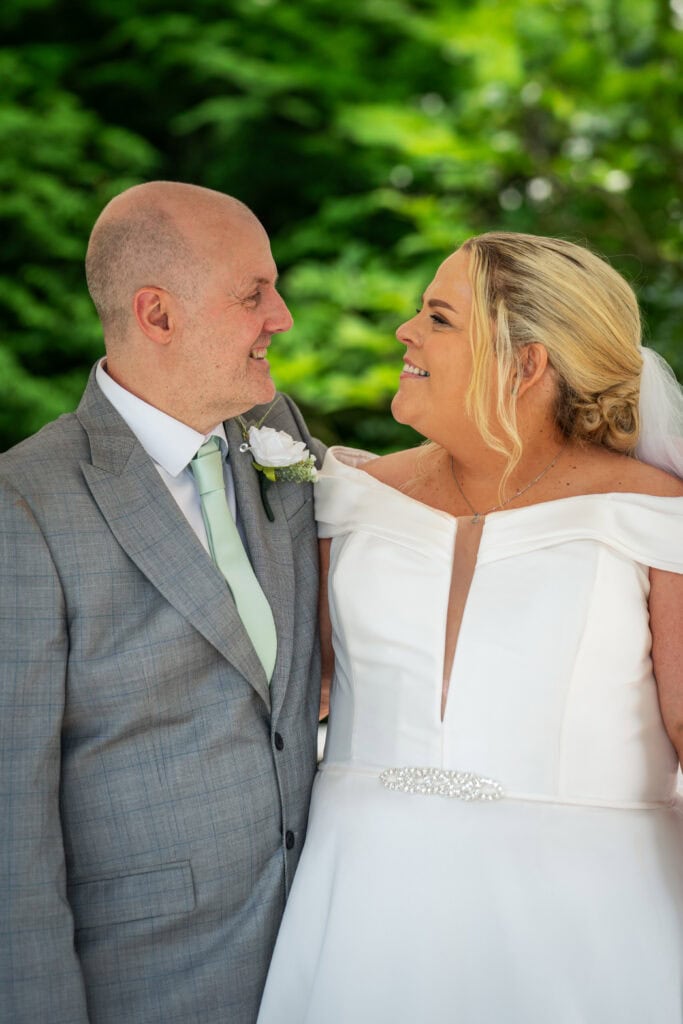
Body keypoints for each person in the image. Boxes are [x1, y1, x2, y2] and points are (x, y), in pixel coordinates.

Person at [257, 232, 683, 1023]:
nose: (405, 333)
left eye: (439, 318)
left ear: (525, 365)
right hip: (361, 907)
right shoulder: (346, 496)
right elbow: (290, 695)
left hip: (590, 923)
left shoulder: (656, 516)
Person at [0, 181, 325, 1024]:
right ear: (157, 315)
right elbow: (9, 828)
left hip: (323, 957)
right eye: (254, 294)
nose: (281, 317)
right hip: (147, 981)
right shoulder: (24, 506)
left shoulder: (272, 430)